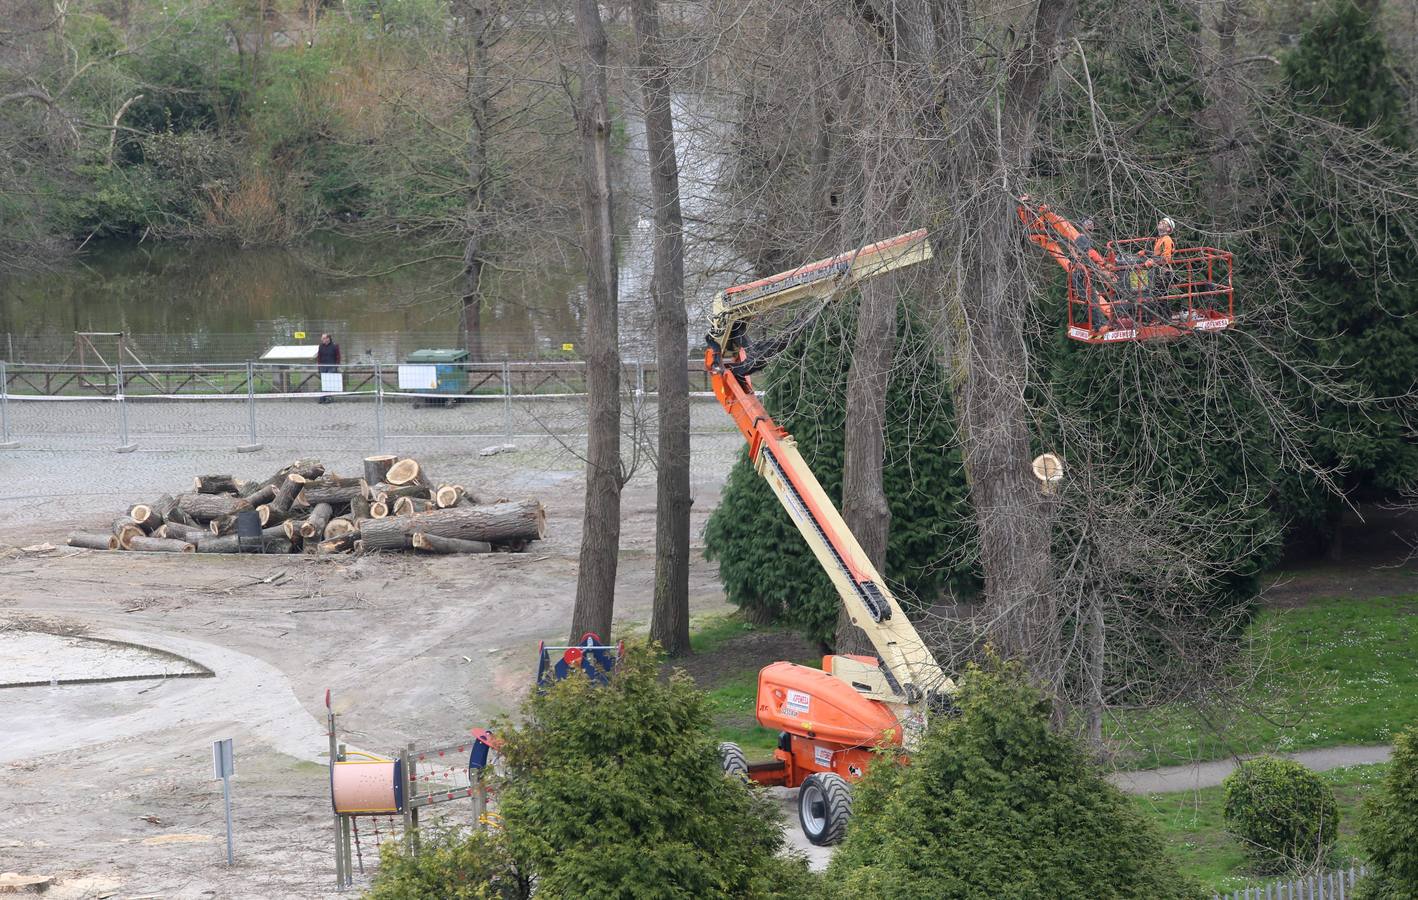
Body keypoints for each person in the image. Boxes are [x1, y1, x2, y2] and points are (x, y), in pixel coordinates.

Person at [316, 333, 341, 404]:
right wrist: (319, 366)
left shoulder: (335, 346)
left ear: (328, 339)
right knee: (323, 382)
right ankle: (322, 397)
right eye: (322, 338)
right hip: (323, 367)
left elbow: (338, 357)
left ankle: (328, 397)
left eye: (323, 338)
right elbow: (319, 357)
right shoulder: (321, 346)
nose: (322, 339)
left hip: (331, 366)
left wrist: (336, 366)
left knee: (328, 382)